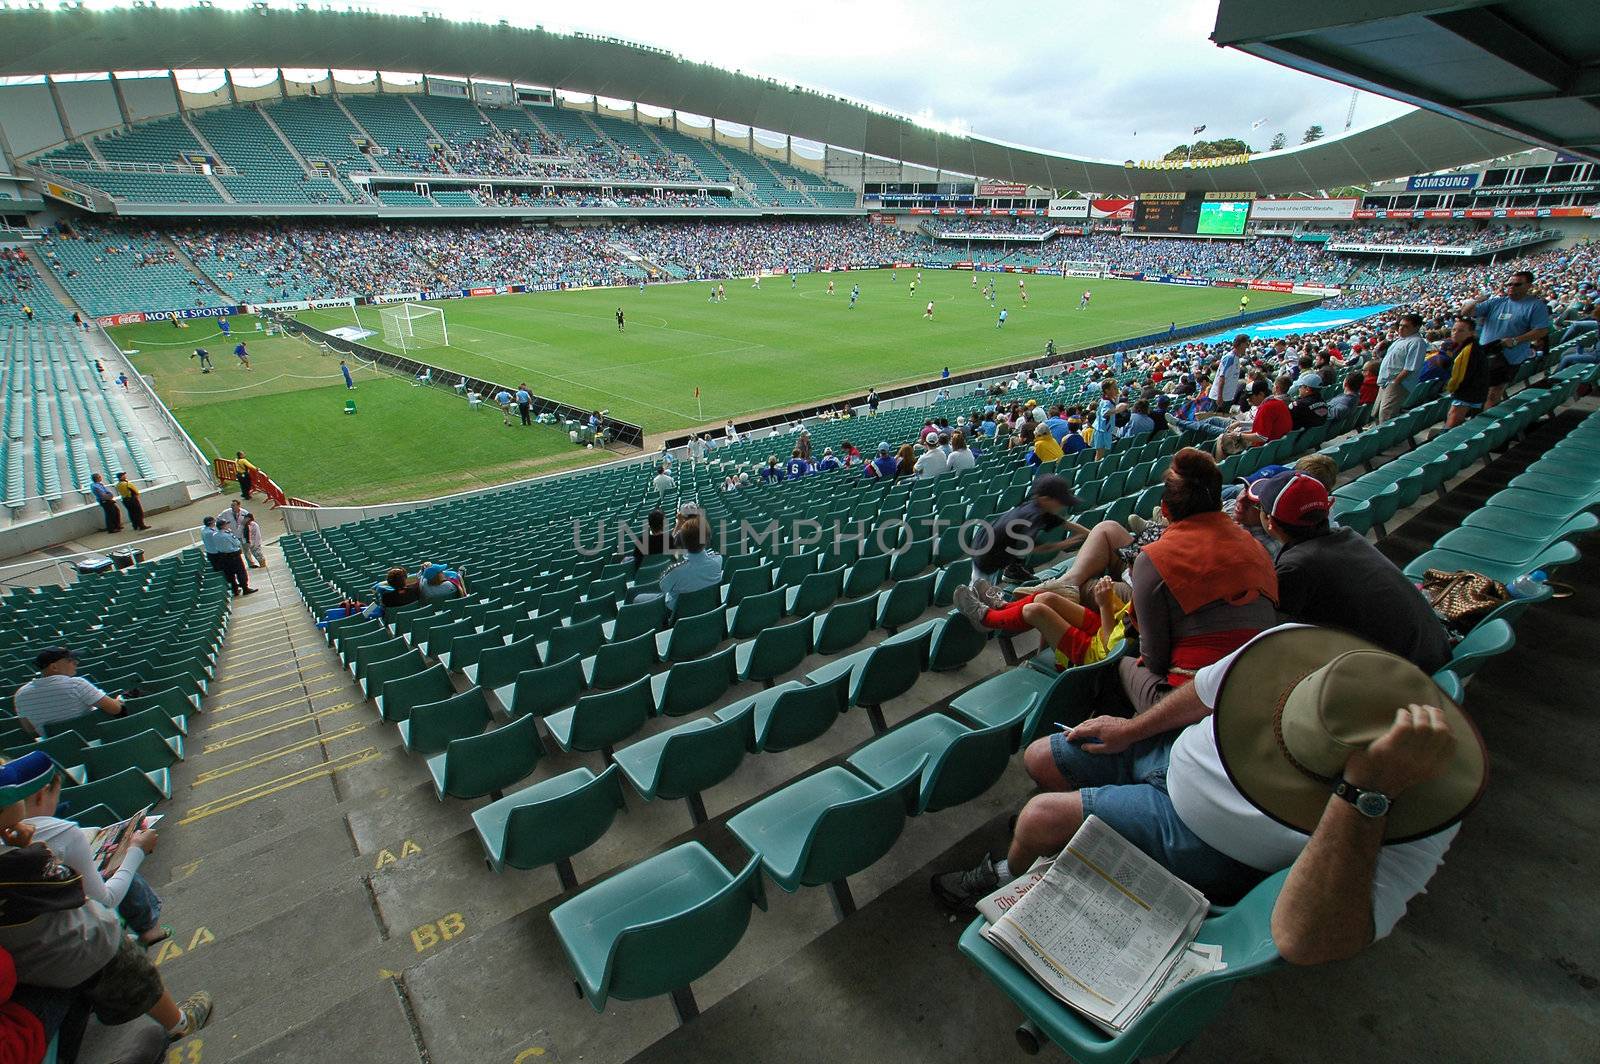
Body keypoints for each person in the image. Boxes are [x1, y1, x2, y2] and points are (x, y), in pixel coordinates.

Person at [931, 623, 1485, 960]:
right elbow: (1201, 692)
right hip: (1168, 754)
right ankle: (1068, 853)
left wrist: (1365, 794)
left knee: (1036, 819)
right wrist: (1131, 728)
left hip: (1199, 838)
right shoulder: (1302, 659)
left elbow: (1307, 939)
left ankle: (1011, 876)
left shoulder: (1418, 795)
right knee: (1040, 758)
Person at [0, 752, 214, 1044]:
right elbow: (94, 897)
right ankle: (179, 1022)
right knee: (138, 975)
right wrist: (136, 850)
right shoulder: (37, 852)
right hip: (85, 945)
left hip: (28, 964)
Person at [1117, 448, 1278, 712]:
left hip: (1198, 699)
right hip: (1260, 674)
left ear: (1165, 509)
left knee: (1121, 663)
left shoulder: (1154, 559)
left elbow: (1154, 660)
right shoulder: (1252, 545)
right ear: (1217, 498)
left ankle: (1137, 743)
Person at [1253, 472, 1452, 671]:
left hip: (1408, 674)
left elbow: (1271, 627)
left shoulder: (1297, 566)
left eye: (1258, 507)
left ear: (1270, 521)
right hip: (1431, 651)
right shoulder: (1347, 536)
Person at [23, 773, 169, 947]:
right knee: (116, 865)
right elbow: (106, 900)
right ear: (42, 794)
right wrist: (137, 851)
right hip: (77, 942)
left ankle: (146, 928)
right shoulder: (63, 832)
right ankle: (149, 928)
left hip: (29, 942)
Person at [970, 474, 1083, 586]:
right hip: (986, 556)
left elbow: (1065, 524)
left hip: (994, 543)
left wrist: (1091, 533)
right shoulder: (1032, 517)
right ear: (1045, 499)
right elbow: (1033, 548)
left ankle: (1013, 569)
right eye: (1061, 502)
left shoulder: (1040, 508)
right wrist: (1064, 544)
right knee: (982, 589)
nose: (1063, 506)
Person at [1461, 269, 1551, 408]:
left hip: (1509, 357)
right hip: (1485, 354)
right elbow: (1465, 312)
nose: (1511, 287)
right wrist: (1476, 300)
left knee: (1493, 393)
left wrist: (1516, 340)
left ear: (1528, 286)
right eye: (1509, 284)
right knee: (1474, 391)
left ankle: (1483, 426)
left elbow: (1542, 330)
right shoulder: (1496, 302)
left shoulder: (1535, 306)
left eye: (1517, 284)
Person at [12, 648, 124, 739]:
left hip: (60, 755)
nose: (76, 662)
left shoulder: (20, 695)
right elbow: (116, 709)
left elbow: (32, 732)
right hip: (99, 739)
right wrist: (119, 700)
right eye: (70, 660)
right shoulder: (76, 684)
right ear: (54, 667)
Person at [657, 519, 723, 613]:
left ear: (682, 542)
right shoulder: (718, 560)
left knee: (638, 598)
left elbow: (662, 588)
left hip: (678, 614)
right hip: (709, 608)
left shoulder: (675, 571)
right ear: (707, 539)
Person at [1376, 313, 1427, 423]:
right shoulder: (1401, 339)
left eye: (1406, 326)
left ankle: (1385, 439)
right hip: (1387, 382)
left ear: (1416, 327)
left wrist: (1395, 382)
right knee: (1379, 413)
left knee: (1386, 414)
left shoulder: (1416, 342)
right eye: (1400, 325)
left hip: (1397, 384)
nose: (1401, 328)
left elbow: (1410, 367)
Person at [1442, 315, 1491, 428]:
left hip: (1467, 394)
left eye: (1461, 330)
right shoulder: (1466, 346)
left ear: (1471, 333)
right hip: (1473, 392)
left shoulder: (1469, 350)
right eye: (1454, 330)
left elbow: (1460, 376)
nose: (1455, 333)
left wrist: (1451, 388)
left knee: (1452, 421)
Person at [209, 519, 254, 596]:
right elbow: (237, 543)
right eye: (226, 524)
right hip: (233, 555)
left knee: (229, 574)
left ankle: (235, 590)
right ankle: (245, 588)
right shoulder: (227, 534)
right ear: (223, 526)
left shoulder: (215, 535)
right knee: (240, 572)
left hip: (222, 556)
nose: (227, 525)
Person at [1092, 378, 1120, 460]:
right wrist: (1118, 409)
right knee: (1099, 454)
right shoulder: (1106, 402)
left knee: (1103, 454)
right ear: (1107, 390)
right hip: (1101, 431)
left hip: (1106, 430)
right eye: (1114, 388)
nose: (1116, 389)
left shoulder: (1111, 399)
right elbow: (1105, 413)